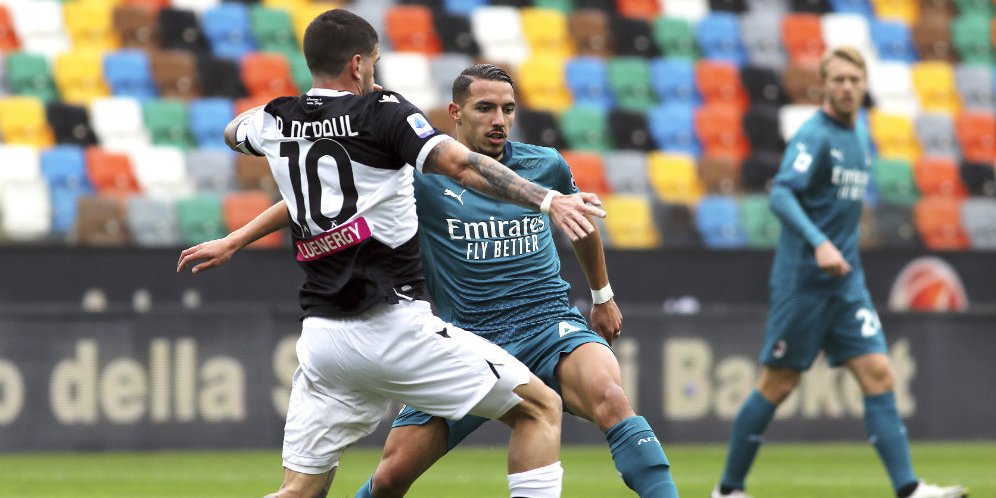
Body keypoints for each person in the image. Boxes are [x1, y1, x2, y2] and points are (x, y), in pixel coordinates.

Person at [177, 9, 607, 498]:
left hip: (324, 341)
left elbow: (234, 131)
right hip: (394, 326)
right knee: (540, 408)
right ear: (358, 64)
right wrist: (548, 199)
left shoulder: (276, 119)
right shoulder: (383, 112)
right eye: (374, 62)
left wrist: (236, 233)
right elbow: (462, 166)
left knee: (299, 491)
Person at [350, 64, 678, 498]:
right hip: (468, 339)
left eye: (507, 109)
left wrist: (602, 296)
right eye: (485, 108)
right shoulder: (420, 176)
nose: (499, 120)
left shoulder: (545, 165)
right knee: (391, 478)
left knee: (613, 400)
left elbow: (581, 224)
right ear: (456, 112)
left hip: (548, 325)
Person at [710, 46, 967, 498]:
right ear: (824, 86)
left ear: (864, 85)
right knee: (778, 383)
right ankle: (728, 490)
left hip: (846, 284)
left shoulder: (860, 134)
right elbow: (782, 194)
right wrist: (821, 242)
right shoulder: (814, 135)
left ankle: (909, 489)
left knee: (879, 373)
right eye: (839, 79)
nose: (847, 87)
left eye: (854, 80)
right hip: (804, 283)